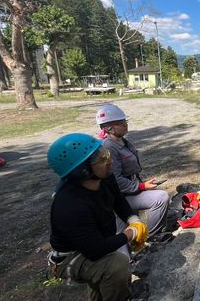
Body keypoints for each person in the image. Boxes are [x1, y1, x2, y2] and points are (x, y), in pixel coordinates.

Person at [48, 133, 148, 301]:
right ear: (82, 169)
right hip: (70, 257)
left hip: (92, 244)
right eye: (101, 159)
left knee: (105, 277)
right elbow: (96, 250)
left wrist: (133, 220)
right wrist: (131, 233)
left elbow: (118, 200)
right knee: (115, 266)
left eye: (106, 154)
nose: (109, 161)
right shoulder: (70, 205)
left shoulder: (105, 177)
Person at [96, 104, 170, 240]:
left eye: (125, 121)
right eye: (121, 122)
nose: (125, 125)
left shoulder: (121, 141)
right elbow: (115, 180)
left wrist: (141, 184)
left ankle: (142, 235)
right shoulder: (108, 147)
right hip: (120, 196)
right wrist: (141, 187)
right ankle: (151, 236)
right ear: (108, 128)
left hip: (129, 189)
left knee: (129, 224)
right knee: (161, 198)